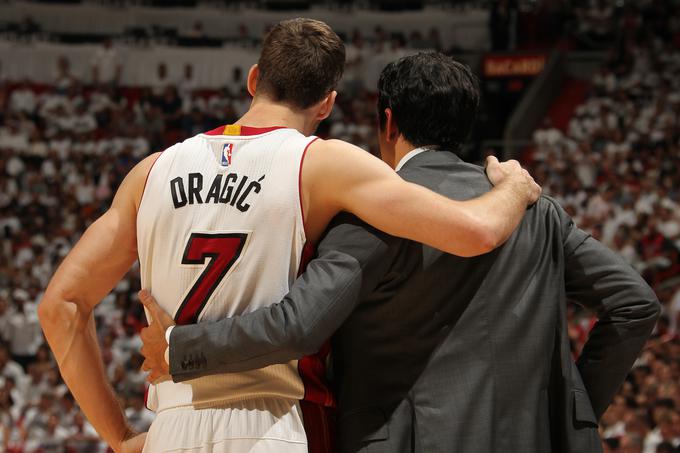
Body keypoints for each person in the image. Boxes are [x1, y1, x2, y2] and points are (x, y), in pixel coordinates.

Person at [38, 20, 539, 453]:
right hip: (272, 423)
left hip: (172, 424)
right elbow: (477, 231)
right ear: (326, 104)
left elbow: (60, 307)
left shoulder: (150, 172)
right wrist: (515, 187)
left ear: (255, 78)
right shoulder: (323, 163)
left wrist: (121, 435)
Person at [140, 52, 661, 453]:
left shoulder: (374, 211)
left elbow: (298, 324)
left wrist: (179, 348)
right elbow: (636, 304)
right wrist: (575, 409)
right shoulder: (531, 206)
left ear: (387, 123)